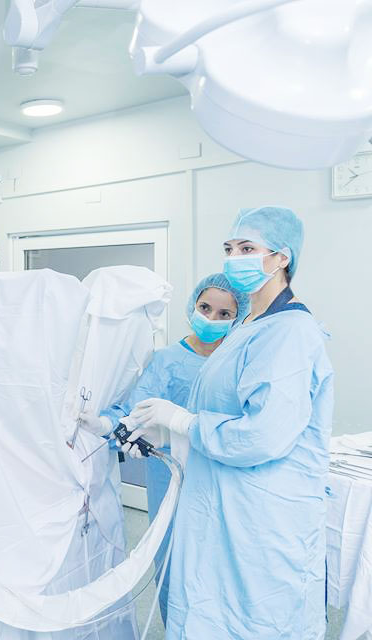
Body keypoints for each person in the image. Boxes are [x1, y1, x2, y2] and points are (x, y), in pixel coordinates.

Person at [127, 206, 334, 639]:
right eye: (229, 248)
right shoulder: (247, 326)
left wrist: (184, 422)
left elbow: (263, 435)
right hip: (222, 503)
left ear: (282, 257)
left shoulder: (290, 332)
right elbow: (222, 404)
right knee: (209, 613)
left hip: (261, 515)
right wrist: (165, 430)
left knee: (254, 622)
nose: (234, 257)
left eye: (247, 248)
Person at [78, 273, 249, 624]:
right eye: (205, 308)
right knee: (173, 556)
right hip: (169, 477)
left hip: (222, 476)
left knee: (221, 566)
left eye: (224, 314)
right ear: (192, 306)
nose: (211, 318)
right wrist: (107, 425)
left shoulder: (238, 361)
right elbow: (134, 414)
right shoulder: (166, 360)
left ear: (238, 317)